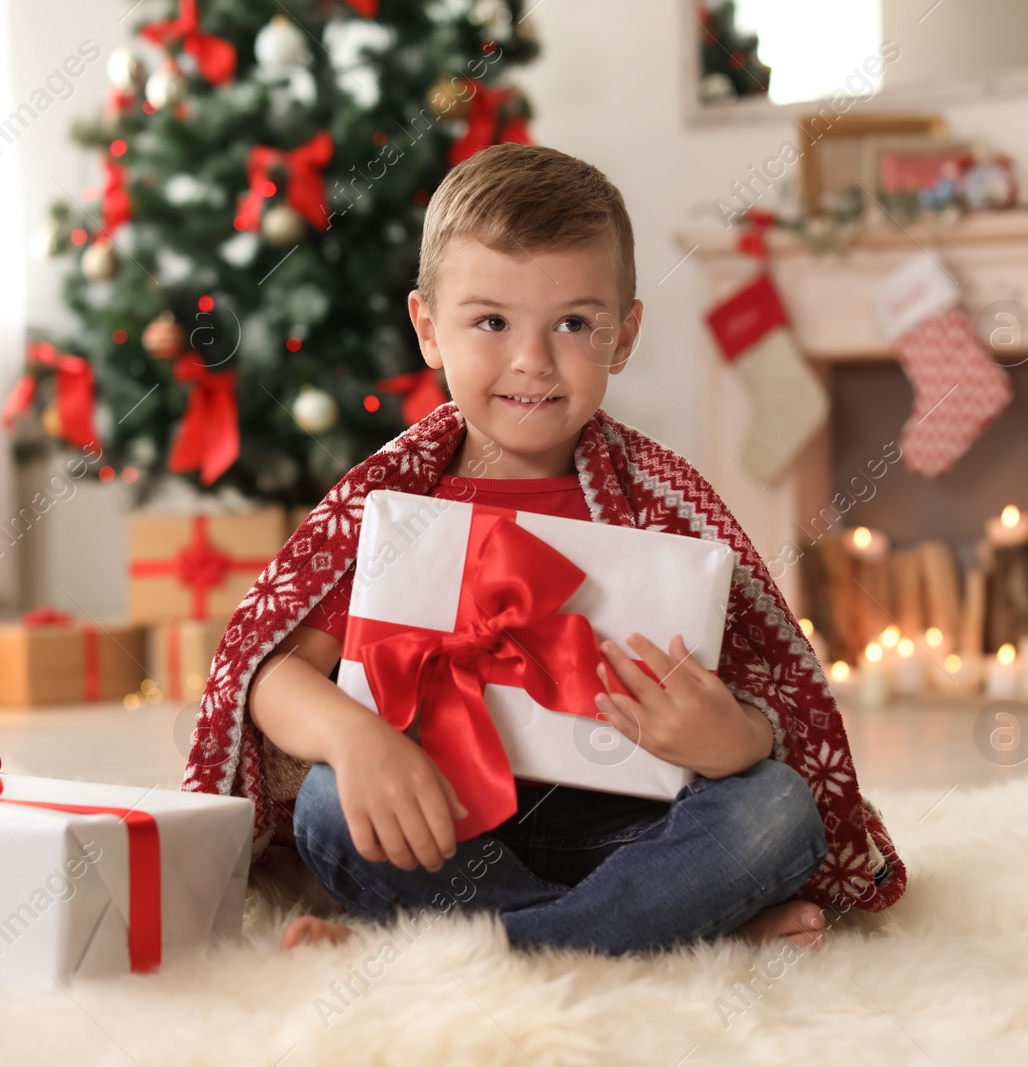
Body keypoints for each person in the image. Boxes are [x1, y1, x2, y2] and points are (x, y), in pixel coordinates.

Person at [182, 143, 905, 956]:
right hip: (448, 826)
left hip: (631, 828)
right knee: (326, 806)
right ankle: (658, 928)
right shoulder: (393, 503)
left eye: (574, 323)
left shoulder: (662, 501)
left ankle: (503, 946)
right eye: (491, 321)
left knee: (775, 810)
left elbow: (771, 700)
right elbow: (271, 670)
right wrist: (356, 738)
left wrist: (730, 739)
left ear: (623, 336)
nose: (532, 360)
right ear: (428, 328)